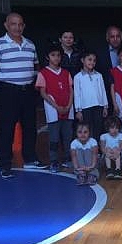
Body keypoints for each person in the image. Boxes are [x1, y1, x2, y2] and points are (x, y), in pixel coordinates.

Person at [0, 12, 47, 179]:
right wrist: (6, 82)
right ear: (6, 25)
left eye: (20, 24)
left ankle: (30, 159)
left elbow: (36, 66)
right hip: (8, 92)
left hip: (28, 91)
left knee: (30, 126)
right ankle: (5, 164)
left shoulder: (30, 44)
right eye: (13, 24)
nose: (17, 27)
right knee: (7, 128)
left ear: (24, 26)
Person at [35, 45, 74, 173]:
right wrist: (56, 106)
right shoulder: (43, 73)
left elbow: (71, 90)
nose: (56, 58)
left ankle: (67, 159)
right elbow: (43, 93)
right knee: (54, 137)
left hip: (68, 108)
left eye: (58, 55)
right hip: (53, 110)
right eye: (53, 55)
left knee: (67, 136)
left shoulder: (66, 73)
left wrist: (68, 105)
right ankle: (54, 161)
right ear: (47, 57)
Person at [73, 50, 109, 142]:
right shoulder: (78, 77)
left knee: (98, 129)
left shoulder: (98, 75)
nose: (92, 62)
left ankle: (97, 149)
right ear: (82, 60)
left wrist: (105, 106)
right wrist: (78, 110)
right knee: (87, 129)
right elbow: (77, 94)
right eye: (89, 59)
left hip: (98, 106)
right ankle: (88, 148)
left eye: (94, 60)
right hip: (85, 107)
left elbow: (103, 91)